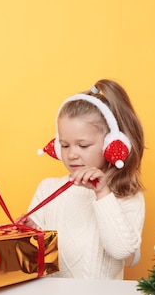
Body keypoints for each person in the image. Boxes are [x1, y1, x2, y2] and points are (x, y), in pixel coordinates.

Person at [23, 79, 145, 279]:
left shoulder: (127, 196)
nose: (72, 154)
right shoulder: (47, 189)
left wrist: (102, 193)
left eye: (83, 145)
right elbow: (31, 258)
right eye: (64, 145)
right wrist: (24, 233)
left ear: (110, 144)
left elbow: (121, 251)